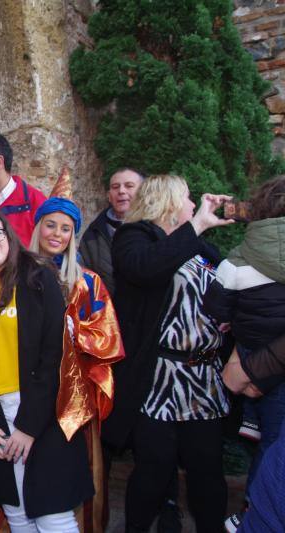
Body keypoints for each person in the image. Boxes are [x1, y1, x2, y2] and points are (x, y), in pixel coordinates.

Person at [101, 174, 234, 532]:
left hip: (203, 378)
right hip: (159, 377)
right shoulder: (134, 238)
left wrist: (228, 316)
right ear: (170, 202)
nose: (194, 205)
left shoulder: (199, 246)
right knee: (154, 469)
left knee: (207, 470)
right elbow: (148, 268)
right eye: (188, 199)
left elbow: (223, 284)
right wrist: (197, 225)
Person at [0, 206, 93, 532]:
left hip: (41, 413)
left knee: (52, 515)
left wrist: (29, 427)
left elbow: (54, 356)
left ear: (9, 237)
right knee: (17, 516)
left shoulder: (37, 277)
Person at [26, 170, 125, 533]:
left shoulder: (87, 282)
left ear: (73, 235)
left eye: (65, 229)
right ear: (38, 227)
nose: (56, 234)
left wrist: (75, 333)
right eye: (50, 225)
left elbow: (108, 338)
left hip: (73, 397)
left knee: (69, 475)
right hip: (27, 389)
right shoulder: (18, 275)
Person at [202, 176, 285, 531]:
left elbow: (215, 306)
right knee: (276, 442)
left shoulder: (238, 260)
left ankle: (254, 510)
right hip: (275, 362)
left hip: (253, 356)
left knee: (272, 438)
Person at [79, 168, 144, 294]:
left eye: (129, 186)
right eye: (115, 187)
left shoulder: (154, 229)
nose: (121, 191)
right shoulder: (93, 235)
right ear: (109, 196)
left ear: (143, 192)